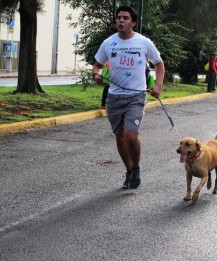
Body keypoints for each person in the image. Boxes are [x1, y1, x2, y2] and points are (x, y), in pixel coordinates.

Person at [92, 6, 165, 189]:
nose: (121, 20)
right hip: (114, 97)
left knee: (131, 136)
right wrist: (96, 75)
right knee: (120, 138)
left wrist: (158, 86)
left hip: (136, 96)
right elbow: (97, 66)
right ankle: (129, 170)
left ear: (133, 22)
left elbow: (159, 64)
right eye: (118, 18)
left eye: (125, 18)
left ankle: (137, 167)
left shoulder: (144, 42)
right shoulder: (108, 43)